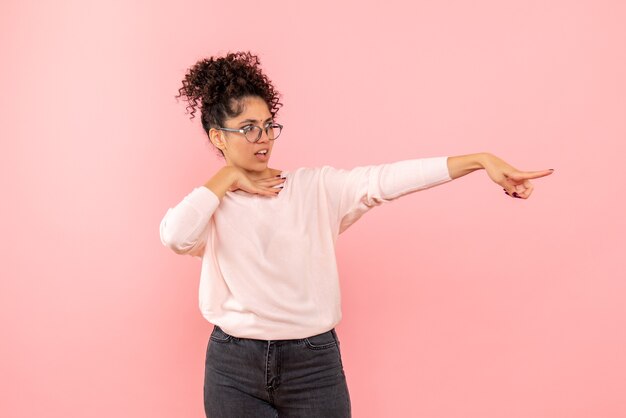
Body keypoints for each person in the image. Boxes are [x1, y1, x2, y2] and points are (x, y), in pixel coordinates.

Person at [159, 51, 553, 418]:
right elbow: (175, 236)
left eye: (268, 126)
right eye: (248, 128)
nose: (263, 138)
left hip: (312, 364)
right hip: (233, 366)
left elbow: (386, 179)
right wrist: (226, 177)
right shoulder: (210, 204)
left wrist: (479, 160)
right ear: (217, 137)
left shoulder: (316, 189)